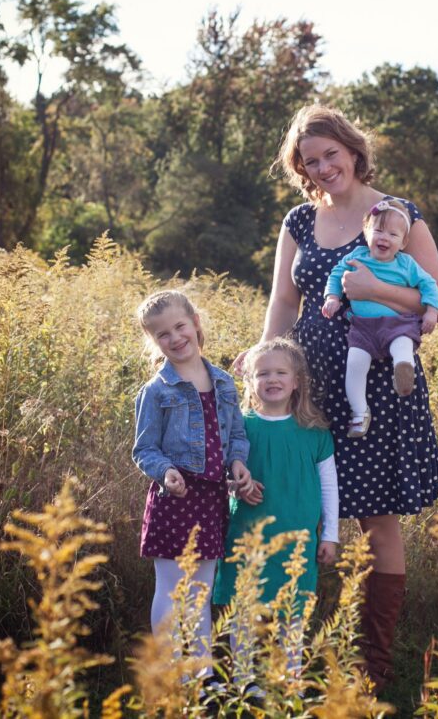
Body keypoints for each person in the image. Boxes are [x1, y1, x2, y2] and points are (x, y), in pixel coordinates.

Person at [235, 104, 438, 694]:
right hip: (308, 386)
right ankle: (288, 650)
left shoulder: (398, 215)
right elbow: (283, 301)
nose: (324, 167)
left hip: (379, 385)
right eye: (311, 161)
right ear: (301, 170)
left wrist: (376, 288)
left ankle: (372, 668)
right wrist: (262, 354)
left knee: (376, 521)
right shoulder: (299, 223)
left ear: (353, 151)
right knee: (297, 507)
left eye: (331, 154)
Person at [132, 289, 261, 674]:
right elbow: (145, 450)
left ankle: (202, 673)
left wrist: (238, 462)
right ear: (154, 342)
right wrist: (165, 472)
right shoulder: (156, 392)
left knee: (200, 593)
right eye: (162, 335)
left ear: (195, 323)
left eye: (179, 326)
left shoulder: (223, 383)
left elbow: (236, 435)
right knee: (172, 590)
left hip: (210, 499)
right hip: (175, 497)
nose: (174, 338)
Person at [213, 338, 339, 683]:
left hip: (297, 535)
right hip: (247, 531)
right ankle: (243, 683)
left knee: (292, 612)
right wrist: (236, 485)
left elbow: (329, 488)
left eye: (281, 372)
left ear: (296, 381)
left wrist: (330, 535)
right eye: (262, 373)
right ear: (249, 381)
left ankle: (288, 684)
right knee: (243, 608)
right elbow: (222, 474)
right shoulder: (241, 426)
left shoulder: (315, 432)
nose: (272, 379)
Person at [322, 199, 438, 437]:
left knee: (403, 345)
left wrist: (431, 311)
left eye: (393, 234)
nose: (383, 237)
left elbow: (429, 284)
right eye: (377, 230)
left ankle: (403, 372)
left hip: (397, 325)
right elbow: (336, 273)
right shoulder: (358, 256)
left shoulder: (406, 264)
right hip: (362, 329)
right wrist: (333, 297)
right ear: (366, 233)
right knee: (354, 366)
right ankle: (359, 412)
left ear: (403, 242)